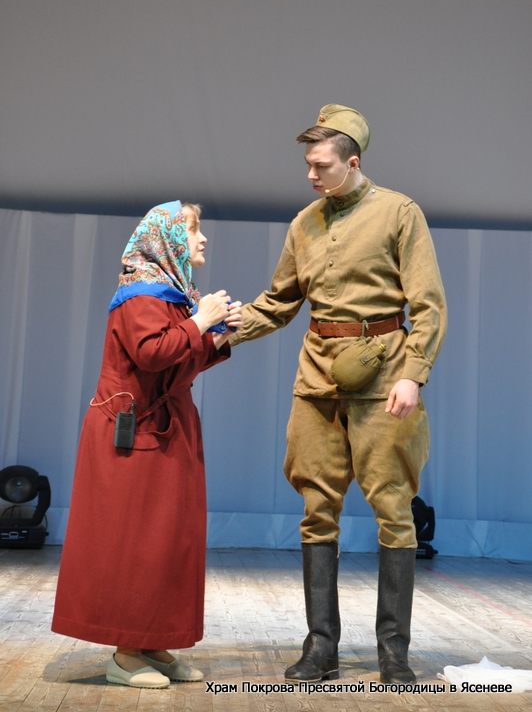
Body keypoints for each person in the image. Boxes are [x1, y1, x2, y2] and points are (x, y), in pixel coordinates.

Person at [230, 105, 447, 684]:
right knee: (315, 511)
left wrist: (413, 373)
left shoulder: (399, 212)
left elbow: (428, 306)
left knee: (393, 511)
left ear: (352, 162)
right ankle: (320, 645)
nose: (310, 174)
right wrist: (219, 331)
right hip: (317, 377)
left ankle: (393, 653)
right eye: (307, 164)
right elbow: (279, 302)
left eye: (321, 165)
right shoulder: (303, 223)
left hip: (384, 377)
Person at [52, 200, 243, 689]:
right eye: (194, 230)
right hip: (132, 434)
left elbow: (179, 363)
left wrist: (220, 337)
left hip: (166, 431)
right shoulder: (140, 292)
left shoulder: (173, 295)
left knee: (168, 541)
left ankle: (153, 642)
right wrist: (201, 322)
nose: (202, 239)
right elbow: (152, 354)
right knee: (134, 543)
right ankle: (124, 653)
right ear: (168, 238)